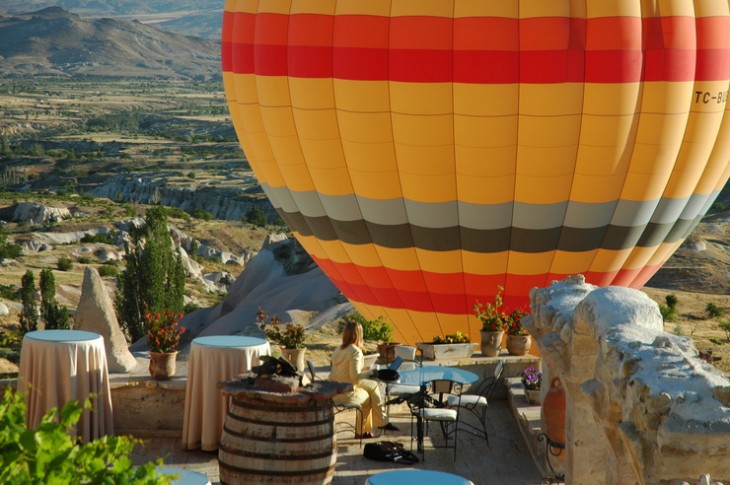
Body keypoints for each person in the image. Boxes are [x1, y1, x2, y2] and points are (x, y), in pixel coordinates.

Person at [329, 320, 399, 438]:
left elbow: (346, 373)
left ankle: (378, 423)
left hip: (334, 390)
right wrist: (371, 372)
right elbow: (355, 377)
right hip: (346, 393)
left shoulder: (338, 349)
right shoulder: (355, 352)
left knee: (373, 386)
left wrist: (367, 373)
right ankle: (364, 430)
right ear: (358, 334)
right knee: (369, 398)